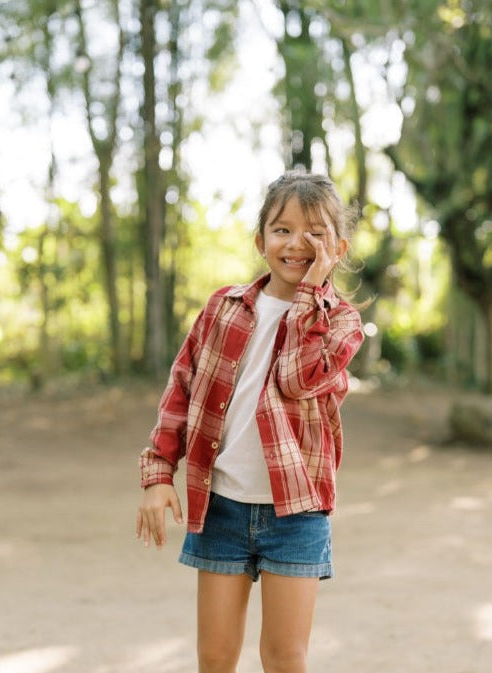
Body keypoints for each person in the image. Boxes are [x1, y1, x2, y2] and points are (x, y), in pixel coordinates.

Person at [136, 171, 364, 673]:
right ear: (260, 240)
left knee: (284, 658)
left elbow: (297, 379)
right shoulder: (224, 307)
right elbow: (182, 389)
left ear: (339, 247)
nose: (297, 243)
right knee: (215, 658)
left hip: (296, 515)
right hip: (222, 508)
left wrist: (308, 297)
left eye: (316, 233)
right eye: (282, 229)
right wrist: (158, 475)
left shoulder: (342, 323)